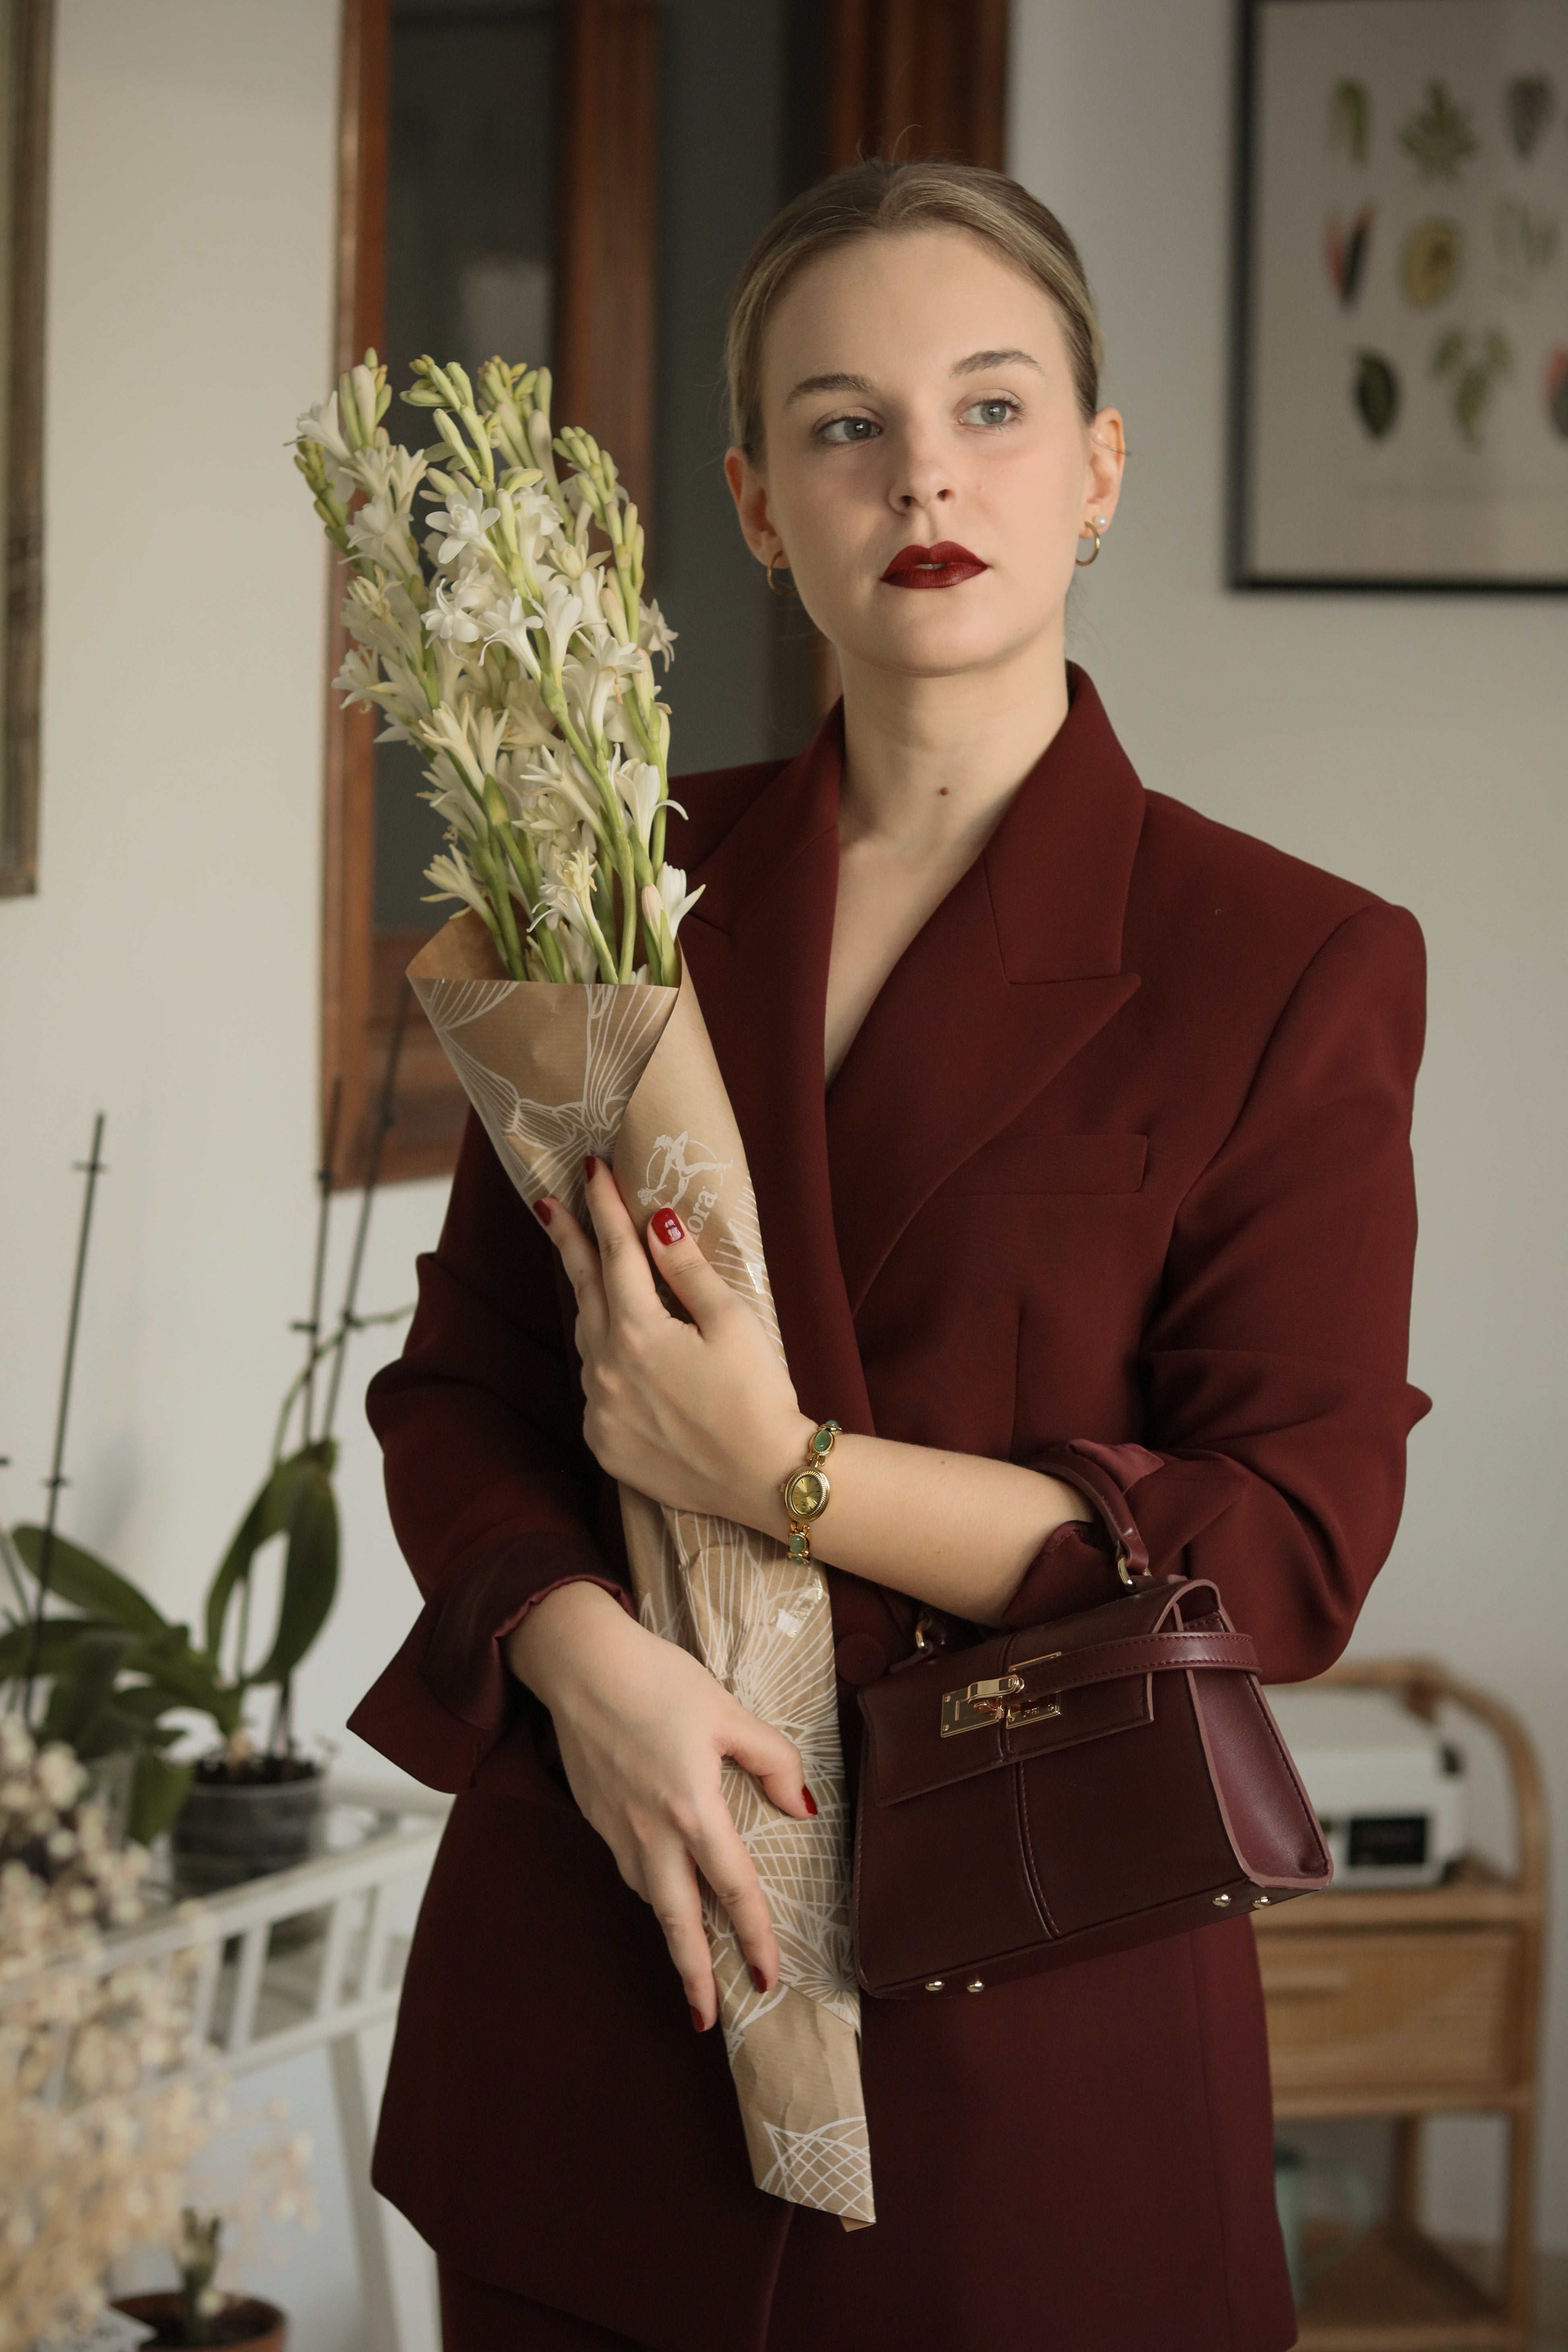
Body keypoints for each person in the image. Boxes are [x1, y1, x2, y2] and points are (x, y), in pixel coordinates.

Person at [351, 159, 1427, 2352]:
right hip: (603, 1995)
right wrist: (581, 1661)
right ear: (757, 507)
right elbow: (461, 1391)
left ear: (1098, 471)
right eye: (844, 425)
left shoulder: (1288, 958)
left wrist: (785, 1476)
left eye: (991, 408)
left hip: (1026, 2060)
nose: (923, 474)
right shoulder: (611, 876)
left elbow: (1287, 1545)